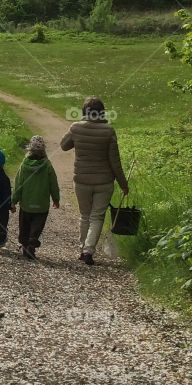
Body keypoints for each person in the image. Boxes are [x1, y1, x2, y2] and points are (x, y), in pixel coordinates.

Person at [60, 96, 128, 266]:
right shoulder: (108, 131)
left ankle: (82, 248)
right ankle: (88, 250)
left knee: (85, 215)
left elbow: (64, 145)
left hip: (82, 179)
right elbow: (115, 161)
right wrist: (123, 184)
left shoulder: (76, 128)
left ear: (84, 112)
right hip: (104, 181)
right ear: (102, 112)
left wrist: (76, 129)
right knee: (97, 217)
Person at [10, 135, 60, 260]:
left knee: (24, 225)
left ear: (29, 150)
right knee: (37, 226)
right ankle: (32, 241)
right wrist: (56, 199)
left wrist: (13, 201)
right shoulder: (47, 165)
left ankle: (25, 244)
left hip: (26, 204)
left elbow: (18, 184)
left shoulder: (24, 165)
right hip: (41, 205)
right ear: (44, 150)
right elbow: (53, 183)